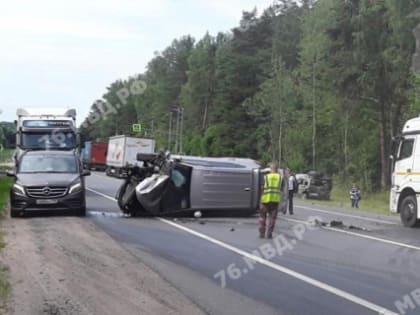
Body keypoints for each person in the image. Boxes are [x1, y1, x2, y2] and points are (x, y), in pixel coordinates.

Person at [259, 163, 284, 239]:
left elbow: (262, 188)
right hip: (275, 201)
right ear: (277, 169)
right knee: (272, 218)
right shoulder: (280, 178)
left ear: (270, 169)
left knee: (262, 217)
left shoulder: (266, 177)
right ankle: (269, 234)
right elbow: (282, 189)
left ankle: (262, 233)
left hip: (265, 200)